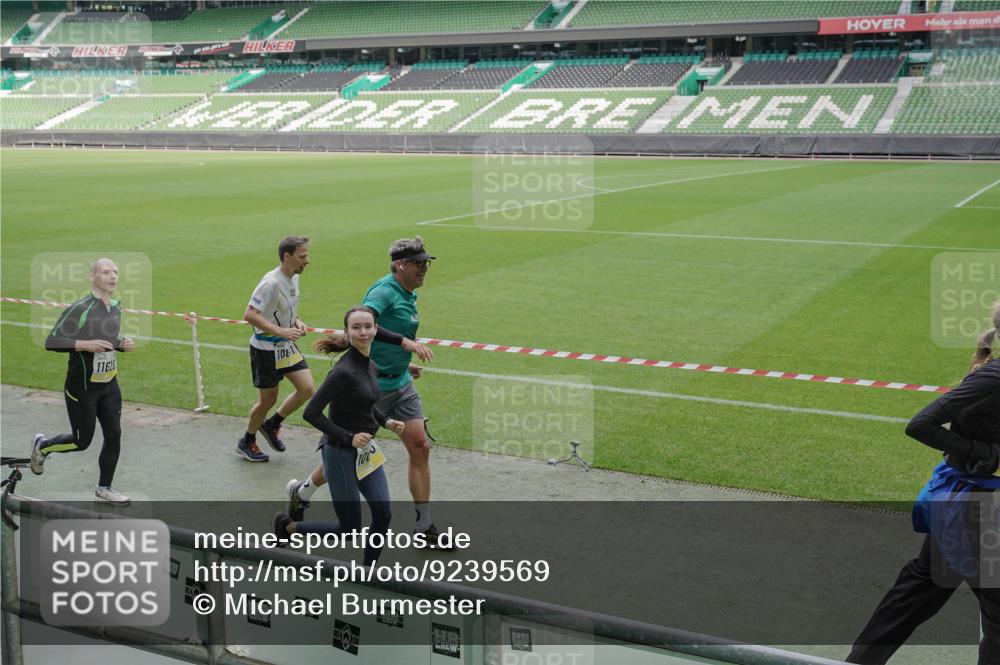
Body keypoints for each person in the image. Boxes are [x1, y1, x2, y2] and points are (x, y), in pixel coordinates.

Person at [847, 300, 1000, 665]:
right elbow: (920, 424)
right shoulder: (992, 378)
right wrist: (979, 451)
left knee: (921, 588)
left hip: (970, 507)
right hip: (971, 509)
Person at [285, 236, 445, 546]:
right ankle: (303, 492)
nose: (425, 268)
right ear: (400, 265)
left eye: (427, 263)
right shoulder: (384, 291)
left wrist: (402, 363)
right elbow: (365, 323)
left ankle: (423, 527)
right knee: (348, 455)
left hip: (400, 382)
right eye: (419, 263)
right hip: (370, 389)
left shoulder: (408, 293)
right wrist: (404, 344)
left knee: (420, 445)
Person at [273, 306, 405, 566]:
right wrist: (348, 438)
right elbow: (311, 412)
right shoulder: (343, 371)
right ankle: (287, 527)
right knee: (349, 530)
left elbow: (366, 403)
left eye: (368, 326)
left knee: (383, 513)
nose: (363, 332)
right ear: (347, 331)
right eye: (356, 327)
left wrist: (386, 421)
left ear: (376, 329)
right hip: (339, 452)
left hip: (365, 453)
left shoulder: (370, 365)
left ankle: (369, 570)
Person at [30, 258, 135, 504]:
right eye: (106, 272)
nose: (113, 276)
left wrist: (120, 344)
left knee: (114, 434)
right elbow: (51, 341)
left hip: (109, 384)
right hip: (82, 388)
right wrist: (83, 345)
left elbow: (104, 338)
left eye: (116, 272)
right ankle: (43, 446)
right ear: (92, 277)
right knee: (81, 441)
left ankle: (104, 488)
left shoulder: (116, 306)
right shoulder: (80, 308)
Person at [237, 236, 315, 462]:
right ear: (287, 257)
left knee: (307, 388)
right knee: (268, 400)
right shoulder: (270, 283)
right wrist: (281, 332)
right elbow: (250, 315)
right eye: (302, 257)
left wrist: (297, 321)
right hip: (266, 349)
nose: (307, 261)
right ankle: (247, 441)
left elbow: (285, 309)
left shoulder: (294, 277)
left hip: (285, 346)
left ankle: (272, 424)